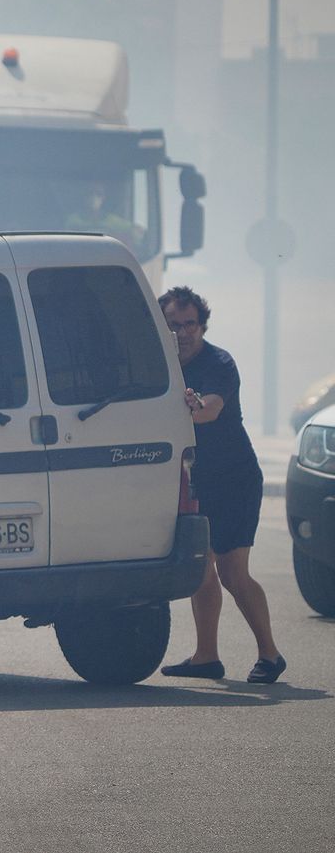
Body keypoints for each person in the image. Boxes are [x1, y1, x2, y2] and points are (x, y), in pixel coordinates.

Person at [158, 287, 286, 684]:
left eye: (189, 324)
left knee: (233, 572)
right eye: (173, 325)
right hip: (197, 478)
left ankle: (270, 654)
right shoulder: (161, 364)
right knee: (202, 570)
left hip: (236, 479)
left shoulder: (218, 362)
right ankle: (206, 657)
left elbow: (210, 411)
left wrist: (187, 407)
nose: (182, 332)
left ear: (202, 324)